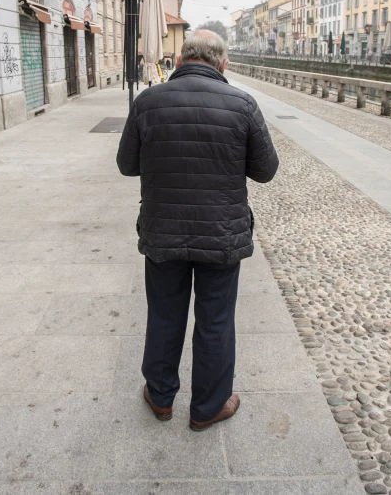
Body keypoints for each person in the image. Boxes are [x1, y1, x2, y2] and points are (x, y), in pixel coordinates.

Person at [116, 29, 279, 431]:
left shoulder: (148, 102)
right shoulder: (242, 104)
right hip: (221, 235)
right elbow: (265, 171)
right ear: (223, 64)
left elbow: (126, 164)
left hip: (163, 232)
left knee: (164, 315)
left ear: (180, 59)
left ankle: (160, 397)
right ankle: (208, 407)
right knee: (216, 320)